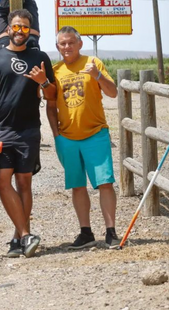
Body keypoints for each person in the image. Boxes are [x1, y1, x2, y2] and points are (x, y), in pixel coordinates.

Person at [0, 9, 56, 258]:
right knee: (2, 182)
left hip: (29, 131)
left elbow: (52, 95)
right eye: (16, 26)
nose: (20, 31)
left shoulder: (40, 57)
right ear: (8, 29)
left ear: (30, 31)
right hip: (2, 131)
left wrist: (44, 81)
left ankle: (18, 238)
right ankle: (26, 235)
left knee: (24, 183)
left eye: (24, 27)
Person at [47, 26, 120, 250]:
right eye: (63, 43)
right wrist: (57, 135)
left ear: (80, 43)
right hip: (67, 138)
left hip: (95, 134)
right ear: (57, 47)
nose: (67, 47)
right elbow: (50, 105)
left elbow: (113, 92)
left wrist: (97, 76)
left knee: (105, 183)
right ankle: (85, 232)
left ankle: (111, 232)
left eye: (71, 42)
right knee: (77, 186)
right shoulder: (55, 70)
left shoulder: (93, 63)